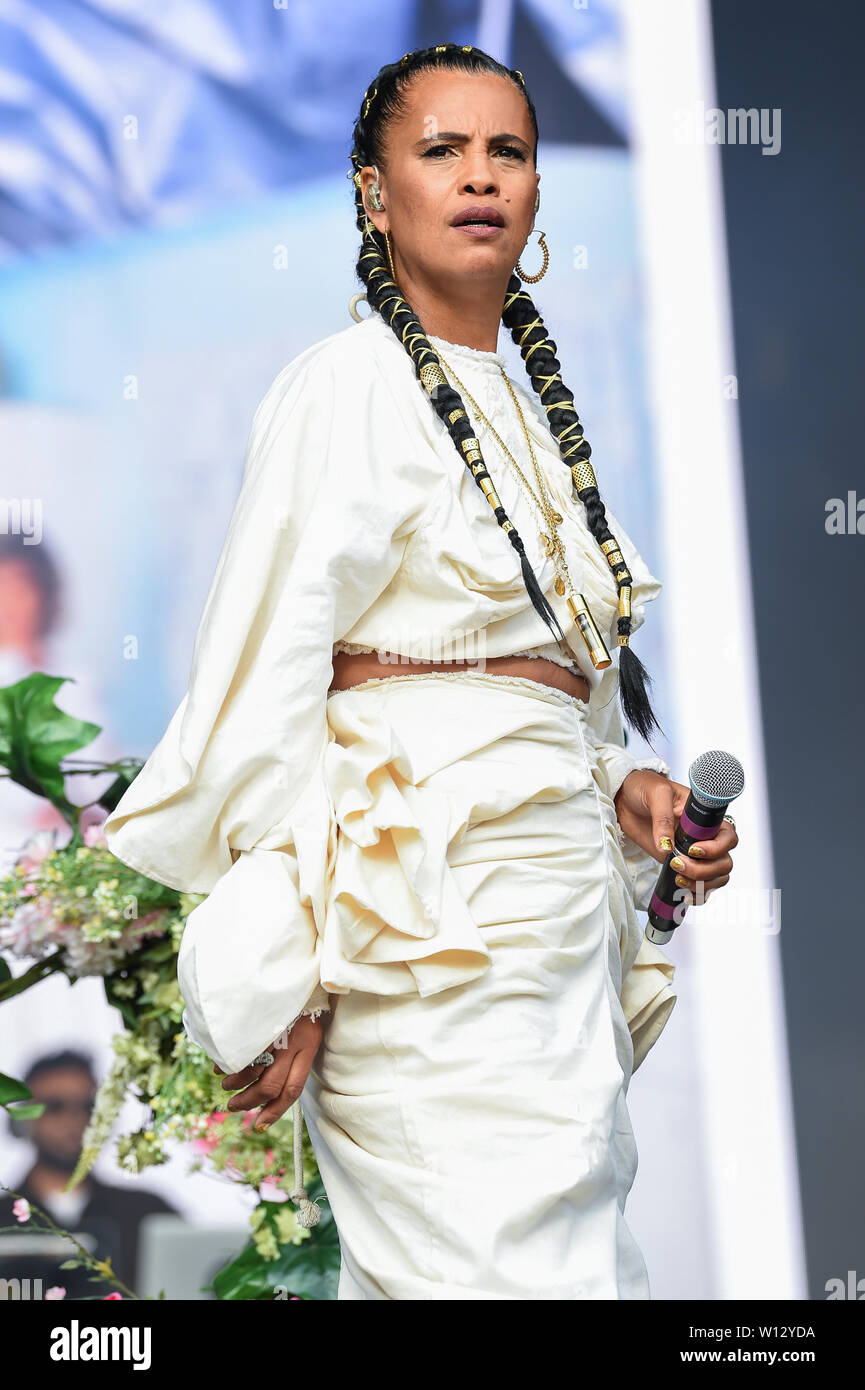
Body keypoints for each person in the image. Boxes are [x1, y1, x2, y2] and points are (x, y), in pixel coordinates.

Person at [102, 44, 738, 1300]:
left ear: (540, 190)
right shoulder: (343, 388)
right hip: (424, 937)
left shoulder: (539, 409)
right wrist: (285, 966)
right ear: (372, 194)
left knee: (579, 1265)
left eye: (506, 149)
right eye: (439, 150)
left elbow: (547, 694)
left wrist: (625, 794)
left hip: (554, 929)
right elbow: (265, 689)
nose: (479, 176)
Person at [0, 1050, 179, 1297]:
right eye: (55, 1106)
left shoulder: (149, 1214)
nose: (75, 1119)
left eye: (89, 1106)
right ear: (20, 1118)